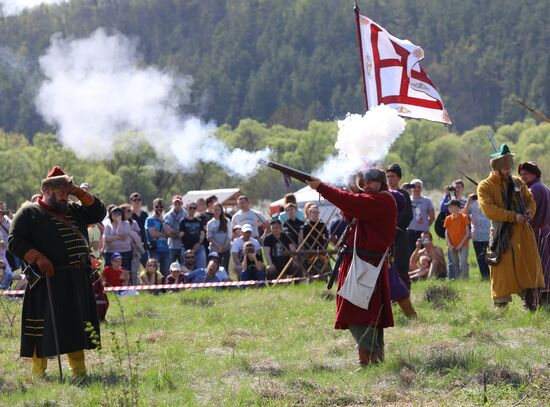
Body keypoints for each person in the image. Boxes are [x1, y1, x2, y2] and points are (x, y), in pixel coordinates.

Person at [8, 165, 106, 378]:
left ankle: (79, 373)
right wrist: (38, 257)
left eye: (67, 192)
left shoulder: (74, 210)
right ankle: (38, 374)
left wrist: (79, 192)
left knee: (75, 325)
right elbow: (14, 242)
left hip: (76, 278)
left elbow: (99, 212)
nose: (65, 197)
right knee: (41, 327)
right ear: (47, 191)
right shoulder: (28, 212)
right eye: (61, 192)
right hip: (46, 279)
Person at [307, 168, 396, 366]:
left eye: (368, 183)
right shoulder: (372, 200)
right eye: (363, 184)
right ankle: (373, 361)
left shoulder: (382, 199)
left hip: (366, 264)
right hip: (362, 263)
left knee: (358, 313)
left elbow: (353, 203)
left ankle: (368, 362)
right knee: (365, 313)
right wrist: (349, 191)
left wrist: (321, 187)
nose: (365, 187)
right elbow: (351, 212)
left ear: (380, 183)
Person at [477, 145, 544, 310]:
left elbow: (530, 200)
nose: (509, 171)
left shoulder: (518, 182)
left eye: (509, 167)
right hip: (501, 234)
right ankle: (501, 308)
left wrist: (529, 212)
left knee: (528, 266)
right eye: (505, 168)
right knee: (501, 272)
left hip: (522, 233)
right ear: (496, 168)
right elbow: (489, 210)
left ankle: (530, 304)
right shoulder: (484, 186)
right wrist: (513, 216)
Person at [518, 161, 550, 303]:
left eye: (526, 173)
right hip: (544, 231)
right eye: (521, 174)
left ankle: (539, 300)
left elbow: (526, 212)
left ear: (534, 174)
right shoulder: (543, 187)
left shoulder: (534, 190)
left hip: (538, 233)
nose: (523, 176)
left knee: (538, 267)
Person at [386, 163, 413, 290]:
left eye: (393, 176)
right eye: (388, 176)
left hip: (399, 237)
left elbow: (407, 215)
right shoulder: (384, 194)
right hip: (385, 238)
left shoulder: (403, 194)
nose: (390, 179)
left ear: (398, 177)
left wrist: (395, 229)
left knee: (401, 268)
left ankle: (404, 296)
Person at [462, 193, 490, 280]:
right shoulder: (472, 203)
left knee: (493, 256)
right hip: (477, 235)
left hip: (489, 234)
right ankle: (485, 276)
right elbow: (463, 214)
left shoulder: (489, 200)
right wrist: (468, 202)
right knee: (481, 257)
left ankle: (495, 275)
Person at [145, 198, 173, 278]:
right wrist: (165, 235)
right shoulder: (149, 220)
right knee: (153, 272)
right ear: (153, 207)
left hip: (165, 250)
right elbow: (153, 234)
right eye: (157, 206)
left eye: (161, 207)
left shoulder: (165, 221)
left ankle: (165, 289)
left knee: (166, 272)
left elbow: (169, 232)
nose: (159, 209)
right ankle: (154, 289)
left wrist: (162, 221)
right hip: (155, 250)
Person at [407, 179, 435, 255]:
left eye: (419, 187)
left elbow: (432, 217)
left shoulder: (427, 201)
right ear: (411, 188)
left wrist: (425, 226)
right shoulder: (407, 199)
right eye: (414, 186)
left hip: (424, 233)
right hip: (410, 231)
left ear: (421, 188)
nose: (416, 188)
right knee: (411, 254)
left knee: (425, 254)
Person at [444, 199, 471, 279]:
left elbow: (467, 233)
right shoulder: (448, 218)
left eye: (450, 206)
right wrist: (450, 245)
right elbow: (446, 233)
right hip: (452, 245)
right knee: (455, 263)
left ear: (456, 207)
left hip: (463, 244)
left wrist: (461, 244)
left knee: (463, 263)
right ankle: (457, 280)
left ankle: (465, 280)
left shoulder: (464, 217)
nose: (448, 208)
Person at [103, 206, 132, 271]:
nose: (116, 215)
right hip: (111, 252)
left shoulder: (126, 223)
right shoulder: (108, 224)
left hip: (125, 252)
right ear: (111, 215)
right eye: (114, 213)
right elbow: (106, 239)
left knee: (125, 271)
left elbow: (122, 234)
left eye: (119, 213)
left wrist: (119, 222)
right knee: (109, 272)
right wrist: (119, 238)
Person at [179, 201, 207, 268]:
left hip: (199, 246)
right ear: (187, 208)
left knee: (201, 268)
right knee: (185, 268)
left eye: (194, 208)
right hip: (186, 247)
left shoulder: (199, 221)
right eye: (190, 208)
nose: (192, 210)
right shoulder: (183, 221)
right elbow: (181, 234)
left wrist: (199, 243)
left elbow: (202, 233)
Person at [206, 202, 232, 272]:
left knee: (224, 268)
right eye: (215, 210)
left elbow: (229, 235)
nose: (217, 211)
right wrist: (218, 246)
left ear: (221, 211)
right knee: (214, 268)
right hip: (214, 249)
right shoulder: (210, 223)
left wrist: (224, 246)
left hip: (225, 249)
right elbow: (209, 237)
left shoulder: (227, 221)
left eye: (218, 210)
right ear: (213, 210)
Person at [164, 195, 187, 264]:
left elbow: (186, 230)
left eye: (179, 203)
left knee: (183, 266)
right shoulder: (167, 215)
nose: (177, 205)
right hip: (171, 245)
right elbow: (167, 228)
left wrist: (178, 233)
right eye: (175, 203)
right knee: (170, 266)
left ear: (182, 204)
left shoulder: (186, 214)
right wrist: (177, 234)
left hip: (183, 245)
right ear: (173, 204)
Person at [130, 192, 149, 267]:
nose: (137, 201)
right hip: (133, 245)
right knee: (133, 269)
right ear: (131, 202)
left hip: (144, 243)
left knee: (147, 267)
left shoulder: (145, 214)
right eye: (135, 200)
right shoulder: (129, 214)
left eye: (139, 200)